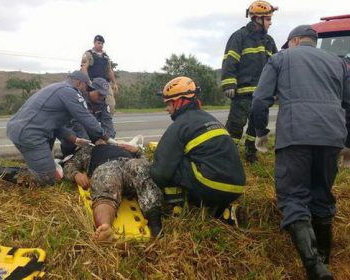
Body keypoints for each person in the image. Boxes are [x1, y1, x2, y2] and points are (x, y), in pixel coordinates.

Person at [252, 25, 350, 280]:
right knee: (322, 195)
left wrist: (260, 133)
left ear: (294, 41)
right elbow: (348, 104)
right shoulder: (338, 63)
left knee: (294, 198)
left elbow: (260, 100)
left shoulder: (281, 57)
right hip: (331, 137)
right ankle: (325, 261)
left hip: (296, 135)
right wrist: (347, 143)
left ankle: (315, 269)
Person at [150, 76, 247, 227]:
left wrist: (148, 166)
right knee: (194, 161)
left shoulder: (180, 125)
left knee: (169, 165)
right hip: (237, 187)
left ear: (178, 102)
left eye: (168, 103)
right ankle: (224, 212)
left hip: (211, 186)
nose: (166, 109)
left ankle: (178, 209)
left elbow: (160, 173)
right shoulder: (211, 119)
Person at [4, 71, 110, 186]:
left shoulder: (57, 88)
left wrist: (75, 140)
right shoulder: (69, 92)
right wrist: (107, 138)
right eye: (87, 87)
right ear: (79, 83)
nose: (87, 91)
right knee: (46, 178)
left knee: (46, 170)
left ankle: (36, 169)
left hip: (25, 129)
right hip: (30, 134)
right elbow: (86, 119)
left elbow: (56, 125)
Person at [63, 141, 163, 241]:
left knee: (140, 168)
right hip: (107, 166)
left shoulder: (124, 147)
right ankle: (105, 228)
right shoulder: (89, 150)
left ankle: (155, 225)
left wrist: (138, 152)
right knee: (106, 180)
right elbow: (69, 165)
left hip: (129, 164)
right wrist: (76, 174)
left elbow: (148, 163)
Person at [221, 0, 278, 163]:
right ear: (257, 19)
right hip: (243, 93)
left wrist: (276, 90)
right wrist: (229, 84)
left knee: (256, 126)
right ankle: (227, 156)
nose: (271, 23)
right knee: (235, 125)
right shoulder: (239, 37)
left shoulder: (269, 41)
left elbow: (276, 66)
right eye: (268, 19)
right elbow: (229, 60)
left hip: (262, 95)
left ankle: (251, 154)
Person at [59, 77, 116, 157]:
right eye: (100, 94)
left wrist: (106, 140)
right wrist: (88, 144)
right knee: (69, 140)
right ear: (91, 89)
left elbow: (108, 124)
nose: (102, 98)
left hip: (92, 134)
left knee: (109, 143)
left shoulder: (103, 104)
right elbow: (77, 123)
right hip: (76, 134)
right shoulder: (79, 100)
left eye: (104, 95)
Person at [81, 35, 118, 116]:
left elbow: (109, 70)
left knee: (111, 104)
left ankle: (107, 123)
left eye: (102, 44)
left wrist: (114, 83)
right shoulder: (88, 54)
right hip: (93, 83)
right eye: (98, 43)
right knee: (90, 105)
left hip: (105, 84)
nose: (100, 45)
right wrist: (87, 82)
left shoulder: (106, 56)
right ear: (94, 43)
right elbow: (84, 69)